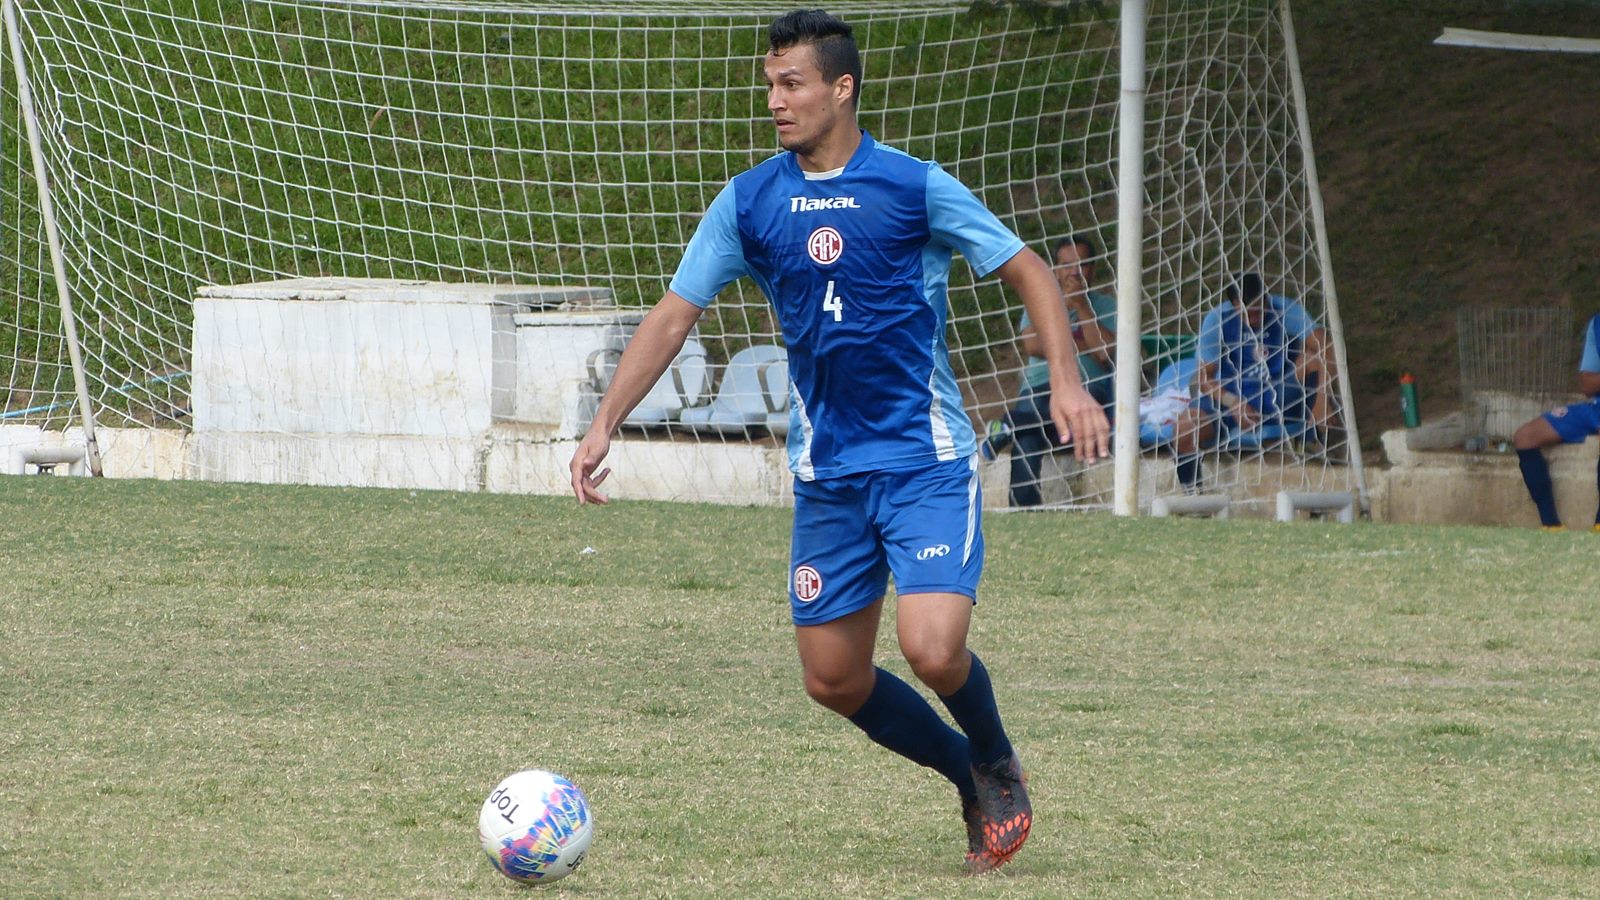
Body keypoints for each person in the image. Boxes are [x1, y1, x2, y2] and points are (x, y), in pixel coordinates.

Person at [568, 9, 1110, 873]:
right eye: (770, 86)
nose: (776, 102)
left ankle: (998, 756)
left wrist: (1070, 381)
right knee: (833, 680)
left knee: (931, 647)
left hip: (924, 462)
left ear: (841, 87)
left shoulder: (914, 186)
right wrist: (606, 422)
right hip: (829, 477)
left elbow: (1029, 270)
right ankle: (967, 776)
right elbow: (674, 316)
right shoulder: (749, 202)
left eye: (793, 84)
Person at [981, 234, 1117, 507]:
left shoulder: (1107, 305)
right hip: (1040, 388)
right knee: (1029, 436)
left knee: (1026, 424)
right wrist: (1081, 341)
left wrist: (1081, 306)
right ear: (1055, 269)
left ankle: (1009, 424)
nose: (1074, 272)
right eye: (1067, 265)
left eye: (1082, 265)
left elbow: (1105, 352)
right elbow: (1032, 345)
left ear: (1093, 268)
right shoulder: (1041, 301)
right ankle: (1023, 510)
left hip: (1090, 389)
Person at [1172, 272, 1334, 491]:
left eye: (1258, 312)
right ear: (1234, 305)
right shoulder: (1217, 319)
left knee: (1313, 359)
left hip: (1280, 391)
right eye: (1246, 314)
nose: (1253, 320)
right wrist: (1233, 402)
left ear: (1266, 298)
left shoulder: (1284, 309)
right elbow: (1203, 378)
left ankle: (1314, 440)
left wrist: (1323, 399)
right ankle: (1193, 500)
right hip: (1236, 398)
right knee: (1184, 428)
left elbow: (1328, 348)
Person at [1512, 312, 1600, 531]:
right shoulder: (1597, 324)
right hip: (1595, 406)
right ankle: (1551, 525)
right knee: (1524, 437)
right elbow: (1587, 385)